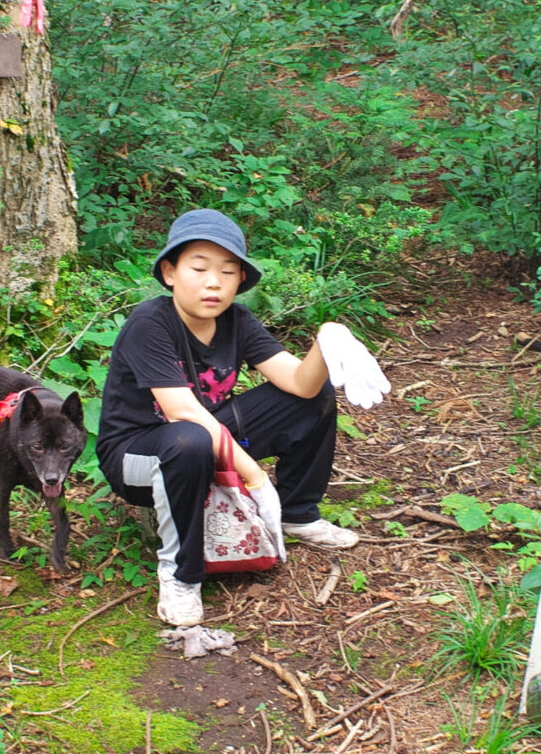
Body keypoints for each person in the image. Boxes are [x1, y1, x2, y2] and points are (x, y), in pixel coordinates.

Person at [96, 209, 389, 627]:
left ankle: (297, 513)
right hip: (137, 455)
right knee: (189, 440)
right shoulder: (150, 323)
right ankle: (180, 575)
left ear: (239, 280)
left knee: (315, 398)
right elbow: (181, 411)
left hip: (201, 434)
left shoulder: (237, 322)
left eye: (228, 271)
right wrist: (255, 477)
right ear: (170, 273)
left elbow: (300, 384)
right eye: (199, 268)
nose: (213, 282)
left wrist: (328, 342)